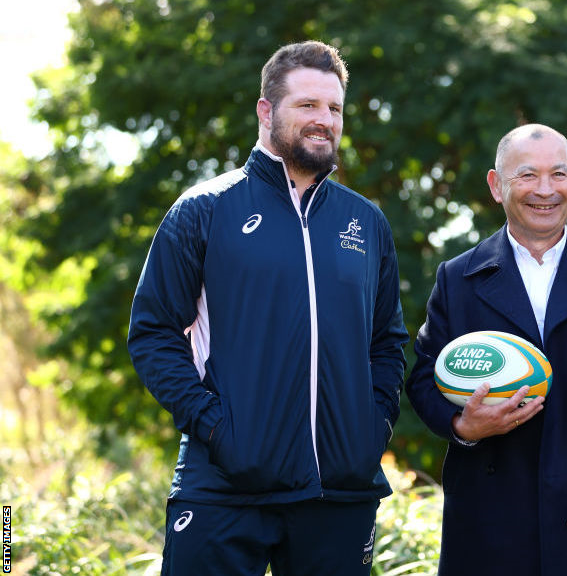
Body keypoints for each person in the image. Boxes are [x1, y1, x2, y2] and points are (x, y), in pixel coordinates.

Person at [127, 40, 408, 576]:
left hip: (340, 494)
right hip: (225, 487)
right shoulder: (204, 210)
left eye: (334, 108)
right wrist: (216, 429)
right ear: (266, 110)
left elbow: (387, 341)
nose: (324, 120)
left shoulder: (366, 223)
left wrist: (372, 427)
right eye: (307, 105)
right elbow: (153, 332)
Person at [405, 123, 567, 575]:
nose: (545, 191)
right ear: (496, 185)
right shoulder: (459, 277)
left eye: (559, 174)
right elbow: (424, 376)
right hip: (490, 516)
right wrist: (463, 425)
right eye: (527, 176)